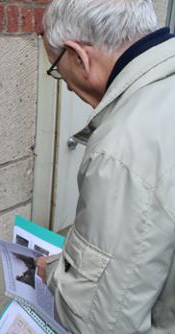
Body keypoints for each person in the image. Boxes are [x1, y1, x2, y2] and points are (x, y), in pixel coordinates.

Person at [37, 0, 175, 333]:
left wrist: (53, 274)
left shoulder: (122, 147)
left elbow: (102, 323)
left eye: (57, 68)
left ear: (79, 56)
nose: (67, 86)